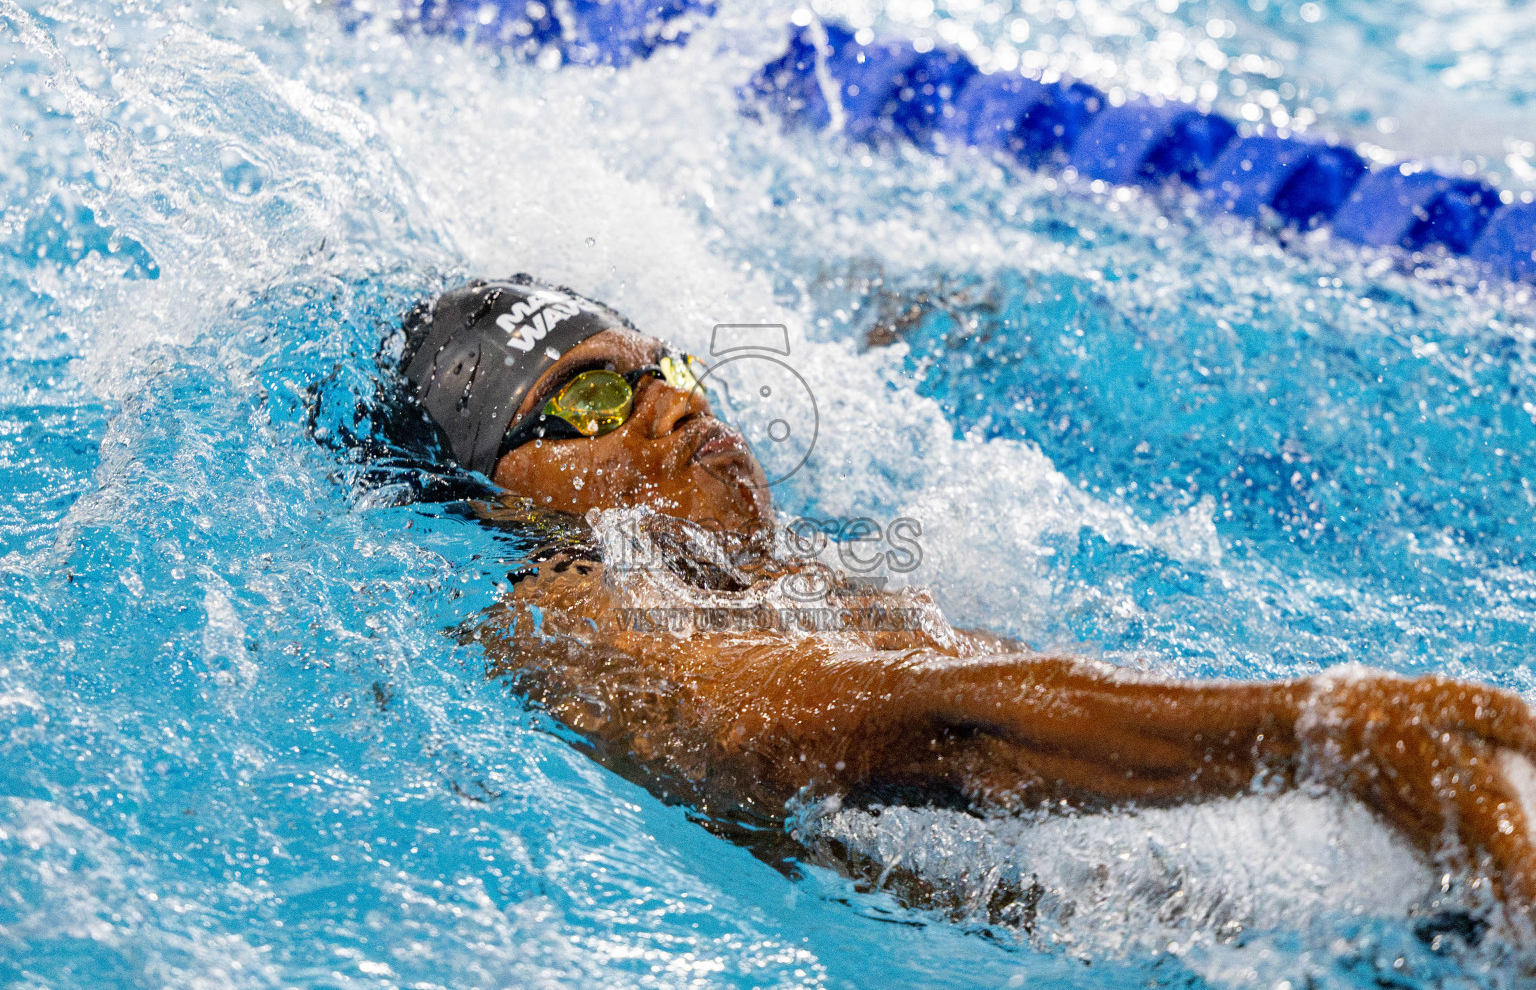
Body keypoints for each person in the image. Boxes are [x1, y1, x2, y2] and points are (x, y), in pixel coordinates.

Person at [400, 276, 1536, 915]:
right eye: (594, 398)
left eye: (672, 371)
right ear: (499, 487)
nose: (675, 408)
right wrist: (1327, 731)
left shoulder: (773, 577)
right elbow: (940, 724)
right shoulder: (581, 629)